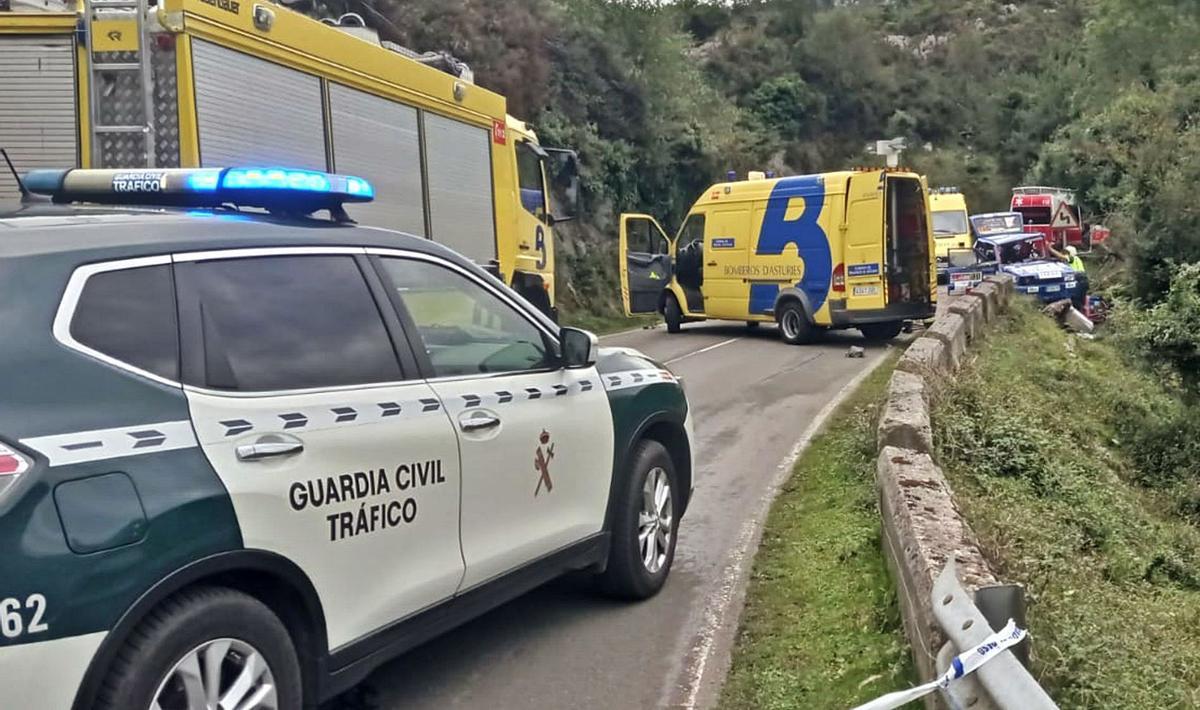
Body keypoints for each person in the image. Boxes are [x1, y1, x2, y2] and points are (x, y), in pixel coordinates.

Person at [1048, 242, 1088, 309]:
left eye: (1066, 253)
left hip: (1079, 280)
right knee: (1080, 302)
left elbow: (1061, 257)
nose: (1064, 254)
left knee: (1076, 301)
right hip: (1083, 280)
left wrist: (1050, 249)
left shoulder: (1072, 259)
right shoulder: (1077, 259)